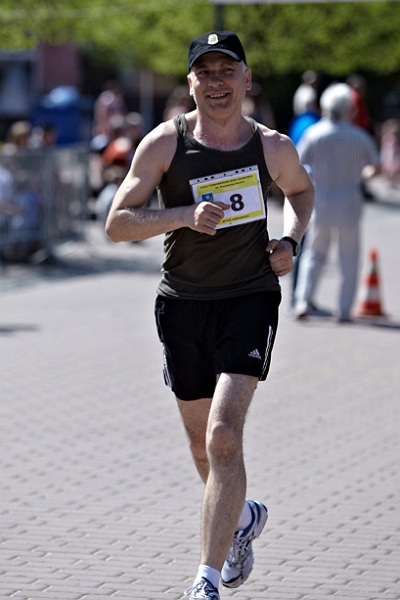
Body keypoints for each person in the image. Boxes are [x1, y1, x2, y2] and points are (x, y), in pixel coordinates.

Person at [106, 31, 314, 600]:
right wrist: (181, 215)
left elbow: (301, 193)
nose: (217, 82)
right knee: (203, 448)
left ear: (246, 79)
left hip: (249, 298)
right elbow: (117, 224)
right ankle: (242, 518)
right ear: (191, 82)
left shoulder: (272, 147)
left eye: (227, 71)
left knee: (224, 436)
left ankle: (206, 579)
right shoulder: (164, 143)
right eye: (206, 72)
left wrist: (291, 242)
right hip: (182, 304)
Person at [293, 83, 380, 323]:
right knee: (349, 258)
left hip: (320, 202)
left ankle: (302, 302)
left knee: (314, 255)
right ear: (350, 109)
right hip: (350, 203)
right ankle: (344, 310)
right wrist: (362, 175)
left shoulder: (314, 133)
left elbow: (298, 164)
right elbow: (375, 167)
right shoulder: (359, 136)